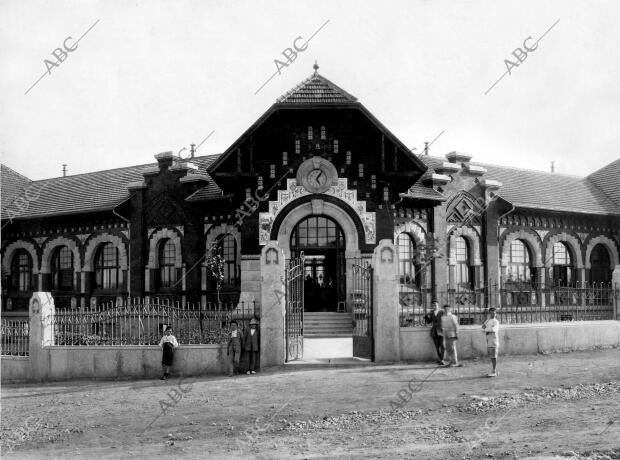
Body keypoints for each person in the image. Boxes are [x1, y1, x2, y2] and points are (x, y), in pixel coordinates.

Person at [482, 308, 500, 377]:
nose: (493, 314)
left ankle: (494, 371)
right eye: (491, 313)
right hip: (488, 340)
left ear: (496, 314)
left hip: (494, 341)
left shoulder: (496, 322)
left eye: (494, 313)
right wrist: (487, 330)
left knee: (494, 356)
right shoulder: (487, 321)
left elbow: (494, 329)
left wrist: (486, 330)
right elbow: (482, 328)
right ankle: (493, 370)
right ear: (489, 313)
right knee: (491, 356)